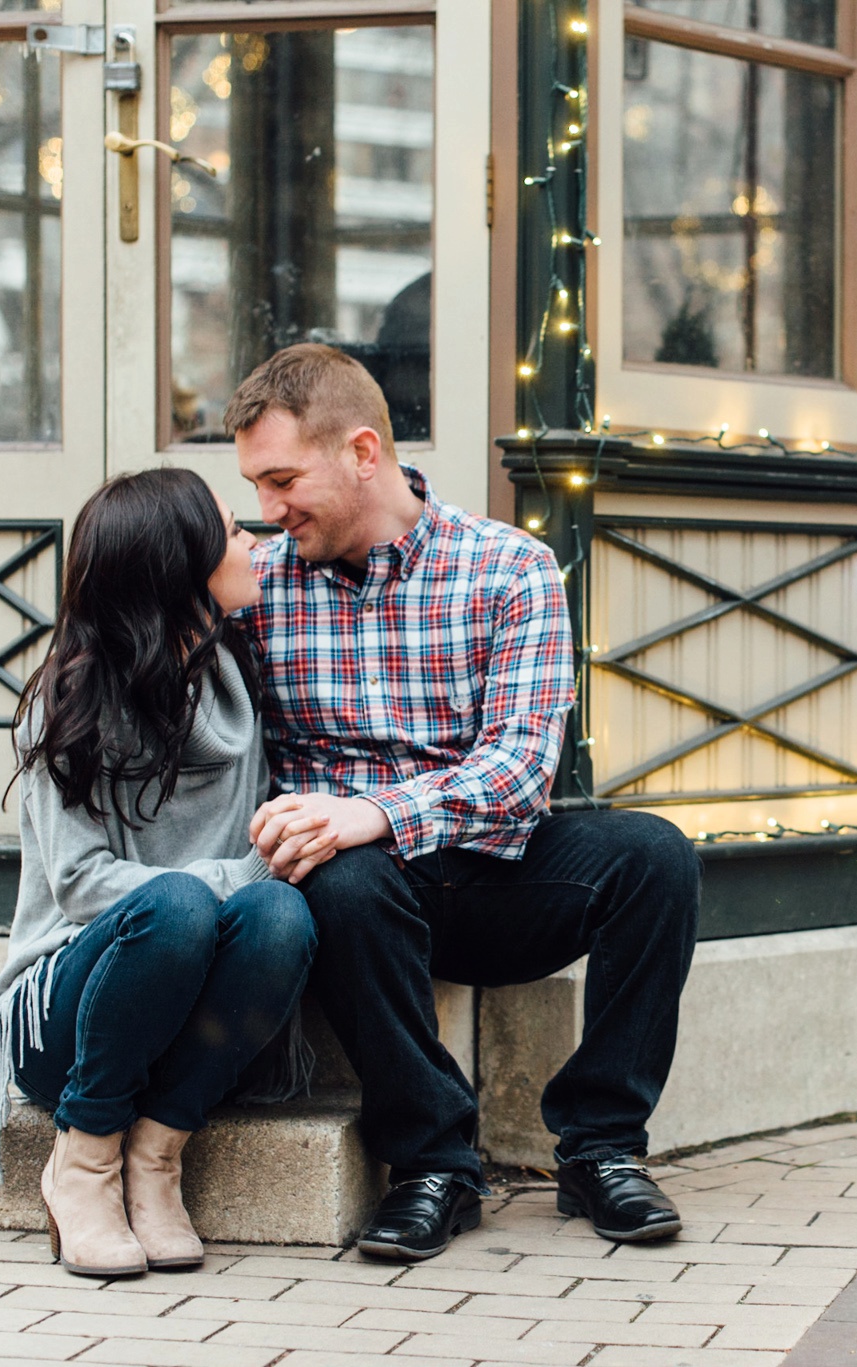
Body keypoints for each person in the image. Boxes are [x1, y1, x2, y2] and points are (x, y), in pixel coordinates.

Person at [226, 343, 701, 1262]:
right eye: (255, 486)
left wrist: (379, 810)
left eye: (283, 480)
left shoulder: (509, 569)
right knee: (345, 879)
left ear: (364, 453)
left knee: (656, 856)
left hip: (497, 872)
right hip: (361, 900)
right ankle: (435, 1165)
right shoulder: (263, 584)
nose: (268, 511)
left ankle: (601, 1148)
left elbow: (522, 771)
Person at [0, 468, 321, 1278]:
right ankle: (85, 1159)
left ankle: (157, 1155)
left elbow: (264, 882)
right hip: (65, 1016)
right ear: (181, 567)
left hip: (185, 1014)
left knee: (283, 919)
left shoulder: (242, 677)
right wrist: (225, 881)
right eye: (234, 533)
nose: (255, 543)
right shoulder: (71, 698)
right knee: (177, 906)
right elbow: (82, 884)